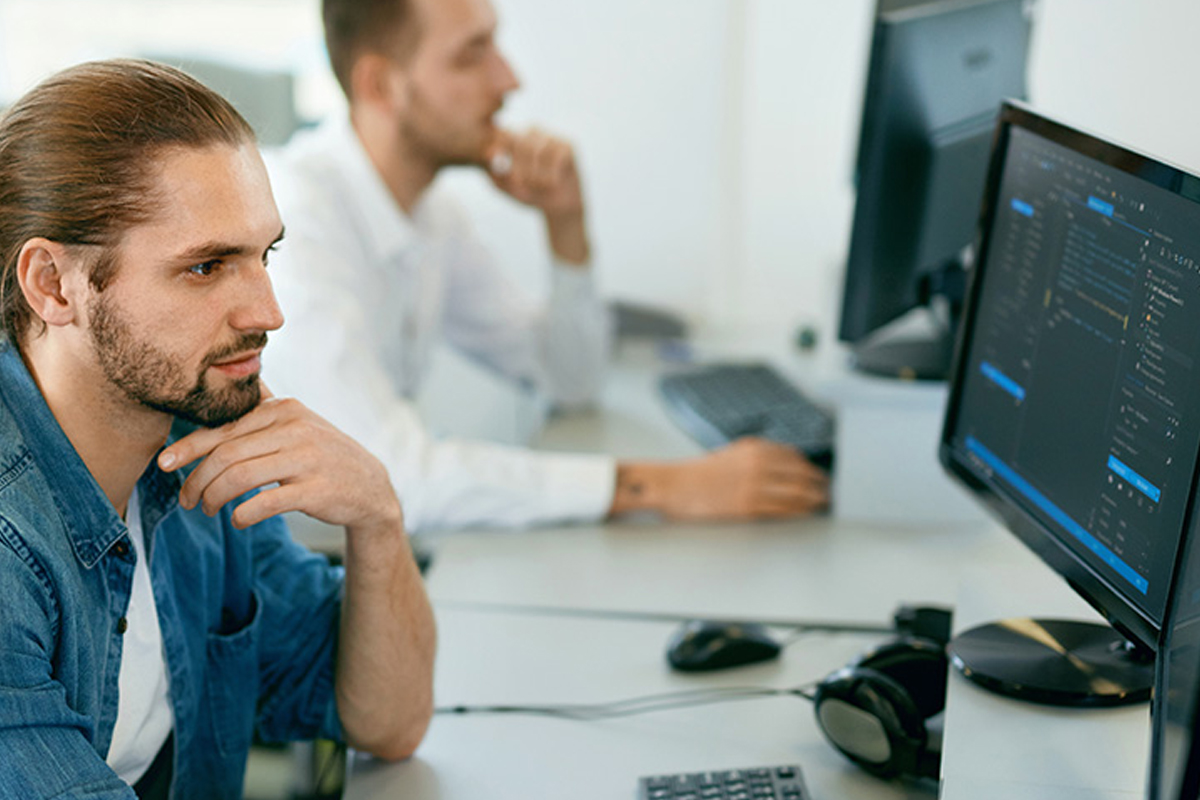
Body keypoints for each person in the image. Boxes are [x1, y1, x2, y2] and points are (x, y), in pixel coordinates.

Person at [0, 59, 436, 798]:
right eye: (207, 267)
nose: (267, 314)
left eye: (264, 256)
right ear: (52, 285)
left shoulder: (194, 452)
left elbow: (383, 719)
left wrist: (378, 516)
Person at [264, 0, 830, 532]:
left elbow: (569, 379)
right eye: (471, 55)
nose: (509, 80)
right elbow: (384, 477)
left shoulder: (435, 215)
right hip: (296, 586)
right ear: (380, 85)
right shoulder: (293, 225)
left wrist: (567, 226)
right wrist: (660, 486)